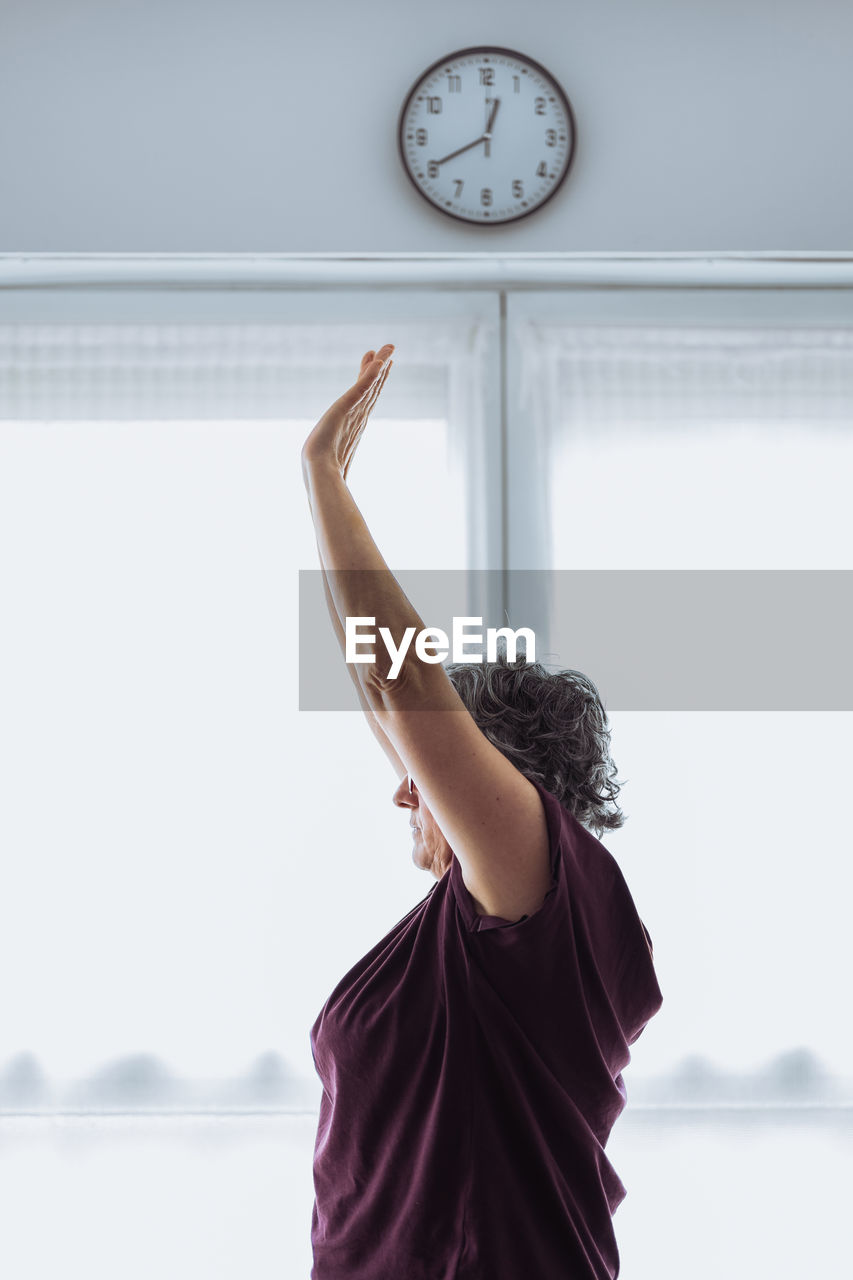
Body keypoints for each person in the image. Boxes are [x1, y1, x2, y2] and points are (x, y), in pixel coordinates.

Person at [301, 344, 663, 1280]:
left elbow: (401, 678)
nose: (398, 788)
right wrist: (323, 489)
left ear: (493, 776)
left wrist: (323, 480)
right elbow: (389, 700)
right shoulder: (479, 912)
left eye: (423, 774)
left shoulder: (537, 892)